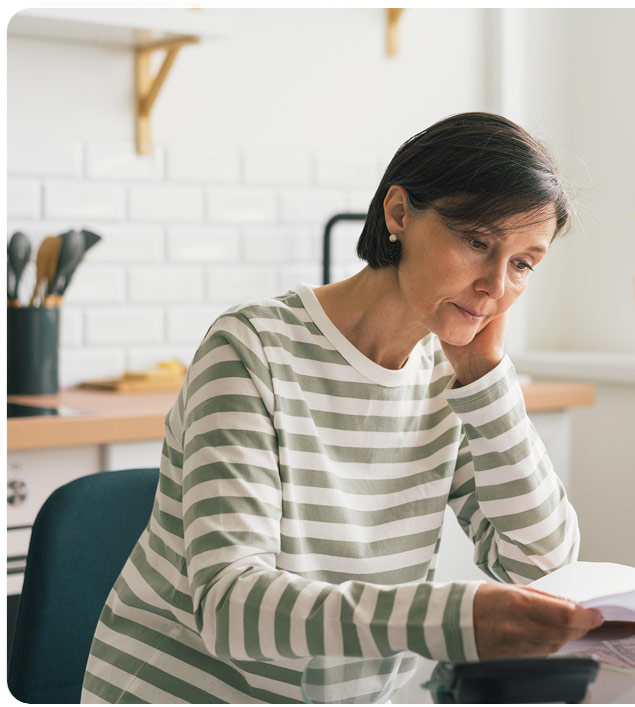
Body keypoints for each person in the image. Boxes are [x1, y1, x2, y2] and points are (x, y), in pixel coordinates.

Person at [82, 112, 602, 703]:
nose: (495, 286)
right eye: (477, 241)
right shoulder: (252, 349)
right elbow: (230, 607)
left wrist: (487, 380)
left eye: (522, 264)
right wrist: (449, 616)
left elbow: (543, 566)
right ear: (399, 212)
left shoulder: (449, 378)